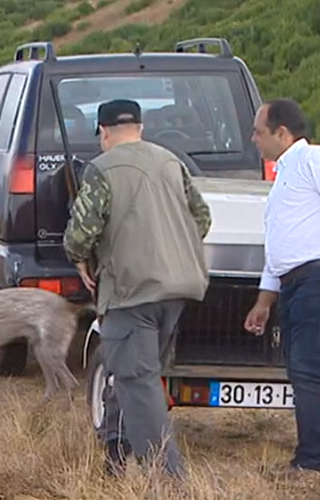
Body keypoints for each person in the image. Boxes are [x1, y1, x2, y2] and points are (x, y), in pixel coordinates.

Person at [62, 99, 212, 478]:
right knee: (125, 371)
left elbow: (82, 233)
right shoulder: (170, 161)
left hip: (132, 291)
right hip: (178, 289)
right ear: (141, 129)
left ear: (103, 131)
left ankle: (168, 480)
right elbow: (202, 218)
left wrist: (79, 258)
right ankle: (115, 459)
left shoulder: (101, 169)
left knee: (137, 381)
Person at [243, 99, 320, 474]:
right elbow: (280, 247)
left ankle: (312, 461)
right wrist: (264, 301)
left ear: (282, 133)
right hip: (296, 283)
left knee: (308, 368)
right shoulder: (284, 176)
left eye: (258, 132)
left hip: (318, 279)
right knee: (301, 369)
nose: (253, 139)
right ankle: (311, 454)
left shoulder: (315, 159)